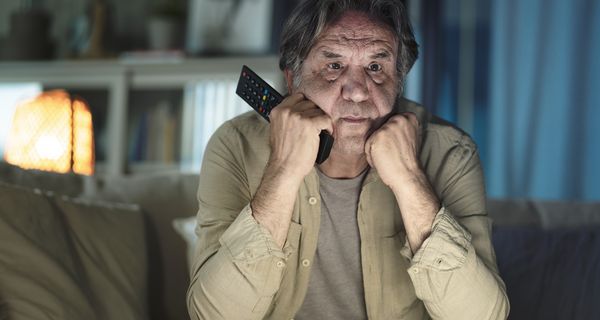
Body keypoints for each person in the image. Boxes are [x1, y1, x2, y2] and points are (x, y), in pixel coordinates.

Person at [187, 0, 510, 319]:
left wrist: (410, 180)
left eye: (375, 67)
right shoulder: (235, 145)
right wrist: (283, 171)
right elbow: (213, 315)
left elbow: (482, 316)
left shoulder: (451, 152)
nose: (357, 92)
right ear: (292, 78)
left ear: (398, 81)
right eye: (334, 66)